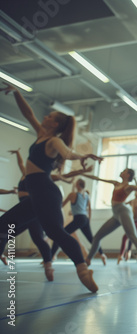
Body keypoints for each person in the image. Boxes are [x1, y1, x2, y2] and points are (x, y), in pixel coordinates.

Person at [0, 82, 102, 292]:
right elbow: (28, 114)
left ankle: (83, 271)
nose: (44, 117)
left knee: (55, 232)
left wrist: (81, 156)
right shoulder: (41, 134)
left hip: (46, 192)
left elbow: (67, 153)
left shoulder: (54, 141)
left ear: (55, 124)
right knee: (5, 225)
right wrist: (18, 93)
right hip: (36, 194)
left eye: (49, 117)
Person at [82, 169, 137, 267]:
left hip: (123, 212)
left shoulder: (128, 187)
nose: (121, 171)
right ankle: (88, 259)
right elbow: (98, 178)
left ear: (128, 175)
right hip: (116, 214)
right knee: (97, 237)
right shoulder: (116, 183)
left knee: (132, 236)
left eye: (124, 171)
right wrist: (83, 173)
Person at [51, 178, 107, 265]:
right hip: (85, 219)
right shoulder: (86, 195)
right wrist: (89, 221)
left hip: (78, 219)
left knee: (60, 235)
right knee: (92, 239)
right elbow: (89, 210)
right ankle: (102, 254)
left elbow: (61, 205)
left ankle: (50, 257)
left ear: (77, 185)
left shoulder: (72, 195)